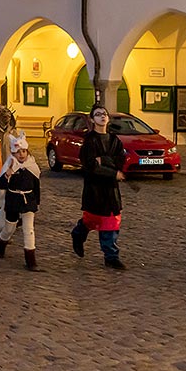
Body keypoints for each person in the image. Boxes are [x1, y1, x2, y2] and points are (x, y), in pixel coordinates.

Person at [70, 104, 127, 270]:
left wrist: (104, 160)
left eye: (104, 114)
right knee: (92, 219)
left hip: (111, 189)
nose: (102, 117)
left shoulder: (114, 140)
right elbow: (90, 165)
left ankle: (111, 256)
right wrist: (111, 171)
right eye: (98, 114)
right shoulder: (89, 141)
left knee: (111, 221)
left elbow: (120, 161)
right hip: (95, 189)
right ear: (92, 119)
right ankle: (78, 234)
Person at [0, 131, 42, 271]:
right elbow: (1, 185)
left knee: (29, 229)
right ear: (13, 153)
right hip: (13, 201)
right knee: (9, 228)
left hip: (28, 201)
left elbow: (36, 186)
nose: (22, 154)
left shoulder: (32, 167)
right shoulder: (10, 167)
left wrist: (37, 202)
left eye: (24, 151)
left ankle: (31, 260)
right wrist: (7, 175)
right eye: (18, 152)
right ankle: (1, 244)